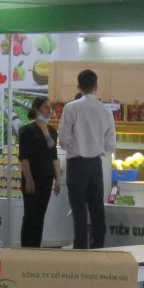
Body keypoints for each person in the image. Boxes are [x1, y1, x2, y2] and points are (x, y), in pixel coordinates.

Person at [59, 68, 115, 249]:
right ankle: (98, 247)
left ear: (78, 86)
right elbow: (110, 144)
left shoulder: (70, 108)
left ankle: (81, 251)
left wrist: (75, 145)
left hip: (76, 165)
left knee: (79, 212)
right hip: (95, 165)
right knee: (97, 209)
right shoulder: (105, 111)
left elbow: (64, 139)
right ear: (96, 86)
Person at [18, 95, 61, 247]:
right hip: (33, 178)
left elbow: (54, 157)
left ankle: (36, 247)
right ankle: (26, 248)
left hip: (47, 178)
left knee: (40, 216)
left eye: (50, 107)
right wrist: (29, 179)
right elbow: (24, 157)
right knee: (30, 215)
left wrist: (58, 179)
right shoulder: (27, 130)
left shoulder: (52, 131)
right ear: (36, 109)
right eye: (45, 107)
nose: (49, 110)